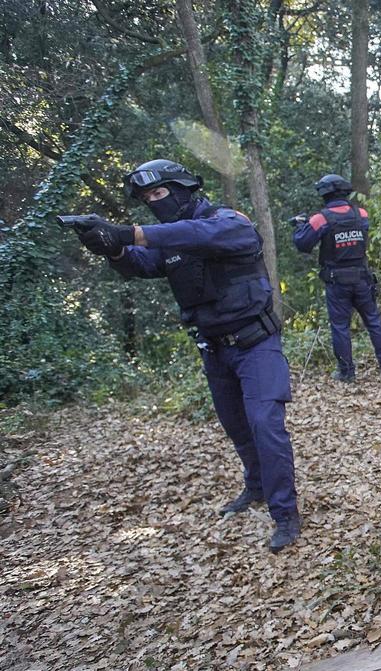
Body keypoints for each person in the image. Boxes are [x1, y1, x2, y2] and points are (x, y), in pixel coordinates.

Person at [71, 159, 301, 553]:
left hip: (256, 345)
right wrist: (113, 249)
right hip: (214, 349)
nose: (153, 202)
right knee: (237, 426)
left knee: (265, 424)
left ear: (182, 190)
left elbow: (201, 234)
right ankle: (257, 487)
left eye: (159, 193)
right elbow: (142, 264)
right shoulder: (169, 242)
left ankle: (285, 514)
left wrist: (131, 233)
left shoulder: (228, 222)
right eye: (147, 198)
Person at [291, 174, 381, 383]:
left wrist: (300, 226)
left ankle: (347, 373)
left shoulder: (321, 219)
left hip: (337, 282)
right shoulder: (361, 214)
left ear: (324, 193)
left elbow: (303, 244)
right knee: (373, 321)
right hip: (362, 278)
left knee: (340, 326)